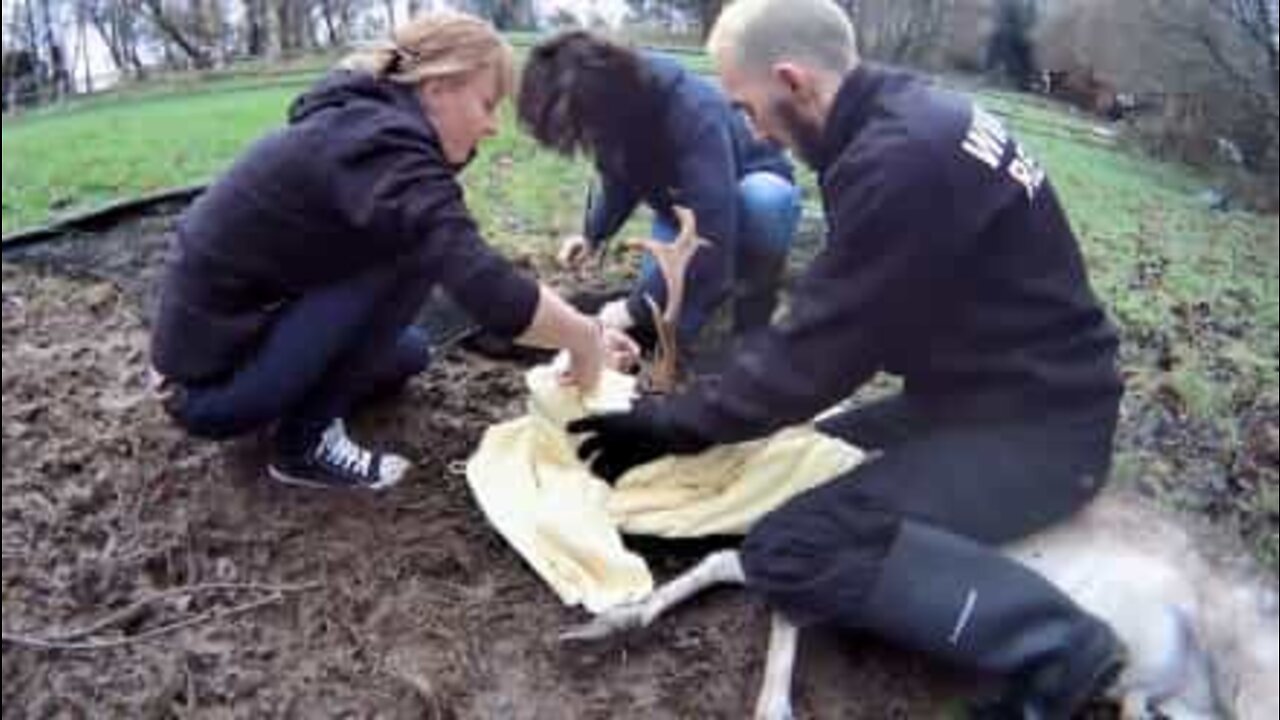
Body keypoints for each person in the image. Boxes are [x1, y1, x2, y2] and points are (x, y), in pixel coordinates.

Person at [569, 0, 1127, 716]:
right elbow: (856, 316)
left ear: (793, 80)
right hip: (975, 398)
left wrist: (667, 424)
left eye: (748, 106)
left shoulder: (901, 161)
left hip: (1039, 436)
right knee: (799, 456)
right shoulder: (905, 120)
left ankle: (1062, 646)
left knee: (791, 548)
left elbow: (816, 358)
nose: (752, 128)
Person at [150, 12, 636, 492]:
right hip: (210, 389)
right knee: (407, 255)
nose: (491, 127)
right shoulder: (380, 146)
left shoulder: (366, 125)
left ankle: (292, 402)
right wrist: (583, 336)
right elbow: (481, 281)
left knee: (412, 352)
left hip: (228, 346)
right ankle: (303, 447)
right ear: (437, 88)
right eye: (488, 104)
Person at [517, 30, 800, 350]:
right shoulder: (611, 109)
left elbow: (711, 234)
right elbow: (618, 179)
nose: (586, 138)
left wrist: (632, 308)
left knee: (762, 203)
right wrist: (592, 234)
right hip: (683, 205)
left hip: (746, 184)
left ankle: (753, 313)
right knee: (664, 322)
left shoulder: (690, 110)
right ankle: (712, 297)